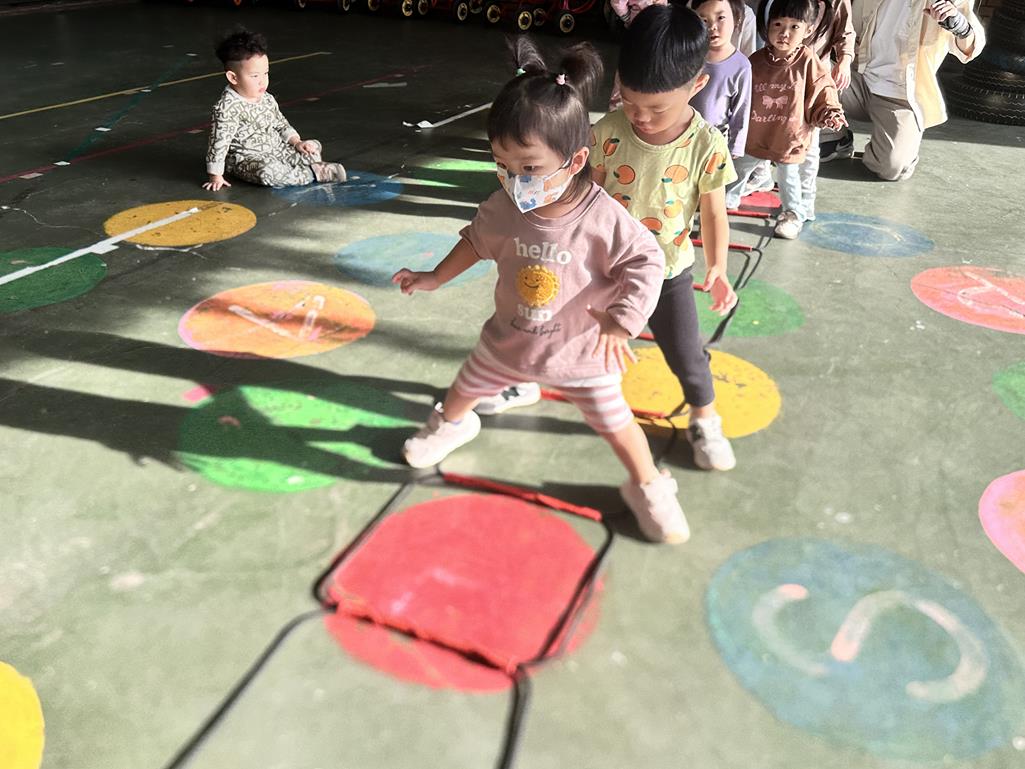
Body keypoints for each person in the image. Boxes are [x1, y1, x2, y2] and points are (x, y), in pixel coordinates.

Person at [392, 39, 691, 544]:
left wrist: (622, 321)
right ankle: (453, 424)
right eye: (502, 165)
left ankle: (648, 484)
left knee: (618, 426)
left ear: (575, 160)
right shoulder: (503, 206)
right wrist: (436, 276)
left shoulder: (602, 218)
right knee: (465, 388)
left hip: (583, 354)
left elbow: (646, 260)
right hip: (509, 341)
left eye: (529, 168)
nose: (515, 180)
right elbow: (477, 240)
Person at [592, 2, 739, 471]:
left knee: (686, 353)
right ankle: (524, 376)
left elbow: (713, 213)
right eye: (629, 100)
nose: (640, 116)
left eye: (656, 108)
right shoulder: (607, 132)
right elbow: (588, 197)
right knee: (559, 327)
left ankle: (705, 417)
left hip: (667, 273)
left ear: (697, 85)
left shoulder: (706, 144)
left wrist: (718, 267)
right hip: (603, 266)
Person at [725, 0, 847, 238]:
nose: (784, 33)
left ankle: (793, 214)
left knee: (788, 177)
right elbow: (738, 92)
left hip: (789, 138)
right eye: (778, 24)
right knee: (739, 168)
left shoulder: (808, 62)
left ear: (808, 30)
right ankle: (728, 199)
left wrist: (830, 113)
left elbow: (824, 90)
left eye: (794, 27)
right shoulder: (755, 61)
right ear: (767, 26)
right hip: (756, 135)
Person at [825, 0, 984, 181]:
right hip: (856, 77)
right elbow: (846, 26)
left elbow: (971, 47)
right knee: (807, 71)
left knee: (892, 167)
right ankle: (833, 137)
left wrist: (958, 24)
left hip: (900, 94)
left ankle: (897, 146)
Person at [203, 28, 346, 191]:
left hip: (277, 150)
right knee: (267, 173)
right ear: (233, 77)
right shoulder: (226, 108)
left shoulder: (266, 98)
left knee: (311, 148)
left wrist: (297, 142)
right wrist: (215, 176)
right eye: (255, 76)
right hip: (249, 160)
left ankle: (303, 166)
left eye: (265, 73)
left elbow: (280, 123)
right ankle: (312, 173)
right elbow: (218, 143)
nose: (262, 81)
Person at [752, 0, 855, 219]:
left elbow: (845, 31)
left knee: (808, 146)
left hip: (812, 76)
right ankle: (761, 175)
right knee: (763, 128)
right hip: (774, 70)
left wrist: (844, 60)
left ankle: (805, 202)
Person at [689, 0, 753, 159]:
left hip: (713, 142)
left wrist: (736, 147)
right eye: (704, 20)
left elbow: (741, 109)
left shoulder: (741, 66)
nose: (712, 27)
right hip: (682, 135)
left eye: (720, 18)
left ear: (737, 19)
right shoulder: (688, 54)